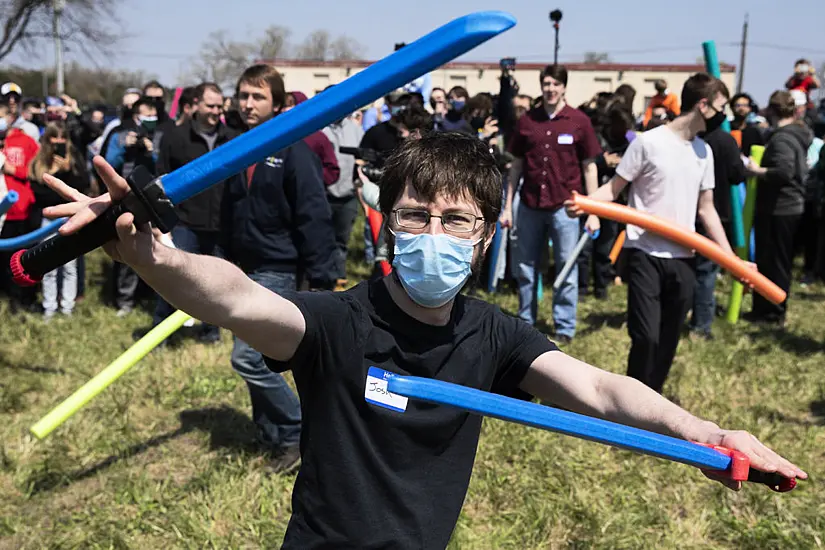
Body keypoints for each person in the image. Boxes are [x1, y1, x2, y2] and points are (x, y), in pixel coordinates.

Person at [42, 131, 806, 548]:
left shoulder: (494, 334)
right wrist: (151, 255)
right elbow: (237, 298)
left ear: (485, 237)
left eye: (455, 221)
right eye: (415, 216)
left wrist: (707, 430)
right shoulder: (341, 321)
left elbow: (602, 388)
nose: (432, 235)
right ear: (386, 220)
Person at [567, 73, 739, 393]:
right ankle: (631, 404)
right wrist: (585, 204)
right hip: (645, 252)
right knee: (646, 336)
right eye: (720, 106)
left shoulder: (704, 152)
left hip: (683, 256)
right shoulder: (649, 142)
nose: (723, 115)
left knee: (669, 340)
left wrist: (731, 258)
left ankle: (653, 403)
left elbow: (707, 209)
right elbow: (614, 189)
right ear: (703, 105)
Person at [220, 64, 337, 473]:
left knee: (248, 359)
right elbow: (229, 211)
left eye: (258, 96)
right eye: (243, 95)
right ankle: (271, 435)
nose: (248, 104)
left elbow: (313, 213)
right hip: (243, 266)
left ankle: (298, 431)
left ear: (278, 103)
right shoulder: (234, 147)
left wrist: (322, 273)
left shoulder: (293, 150)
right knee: (264, 356)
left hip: (279, 268)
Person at [501, 64, 601, 343]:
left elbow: (589, 167)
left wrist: (593, 210)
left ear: (564, 87)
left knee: (567, 267)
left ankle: (565, 327)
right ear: (541, 86)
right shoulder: (528, 121)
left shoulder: (579, 121)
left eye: (556, 84)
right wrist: (508, 207)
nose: (550, 89)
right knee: (526, 268)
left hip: (565, 207)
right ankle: (526, 323)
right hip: (530, 205)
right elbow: (516, 166)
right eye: (546, 83)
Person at [151, 82, 238, 342]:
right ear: (196, 104)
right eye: (210, 105)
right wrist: (161, 222)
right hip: (185, 222)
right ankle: (162, 334)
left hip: (221, 223)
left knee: (216, 282)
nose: (215, 111)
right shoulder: (175, 138)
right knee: (174, 279)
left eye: (219, 106)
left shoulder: (232, 139)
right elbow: (160, 181)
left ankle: (210, 332)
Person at [745, 91, 813, 328]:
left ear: (773, 111)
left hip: (780, 208)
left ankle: (772, 312)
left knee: (774, 263)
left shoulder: (783, 139)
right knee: (773, 262)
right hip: (786, 207)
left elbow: (784, 172)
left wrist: (757, 171)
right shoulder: (796, 134)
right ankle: (767, 308)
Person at [105, 95, 166, 316]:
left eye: (152, 114)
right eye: (145, 114)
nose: (149, 118)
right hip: (126, 198)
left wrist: (152, 152)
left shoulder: (160, 136)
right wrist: (125, 147)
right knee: (126, 251)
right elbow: (109, 164)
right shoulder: (119, 136)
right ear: (135, 115)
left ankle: (152, 297)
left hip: (152, 197)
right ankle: (125, 300)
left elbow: (164, 165)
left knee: (156, 249)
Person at [688, 119, 746, 339]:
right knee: (705, 272)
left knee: (689, 269)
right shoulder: (724, 141)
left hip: (685, 214)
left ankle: (687, 316)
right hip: (715, 213)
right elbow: (737, 175)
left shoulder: (690, 140)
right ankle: (701, 326)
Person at [28, 122, 90, 319]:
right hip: (48, 221)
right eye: (55, 137)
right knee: (49, 267)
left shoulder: (74, 158)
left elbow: (82, 188)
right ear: (47, 140)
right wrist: (56, 174)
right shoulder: (39, 161)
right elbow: (40, 194)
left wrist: (67, 171)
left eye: (63, 137)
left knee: (70, 266)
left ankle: (67, 307)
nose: (59, 142)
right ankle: (49, 307)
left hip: (71, 218)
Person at [322, 100, 365, 290]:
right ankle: (322, 277)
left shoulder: (356, 130)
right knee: (323, 238)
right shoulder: (319, 129)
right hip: (323, 194)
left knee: (342, 238)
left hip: (348, 194)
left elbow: (362, 159)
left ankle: (339, 276)